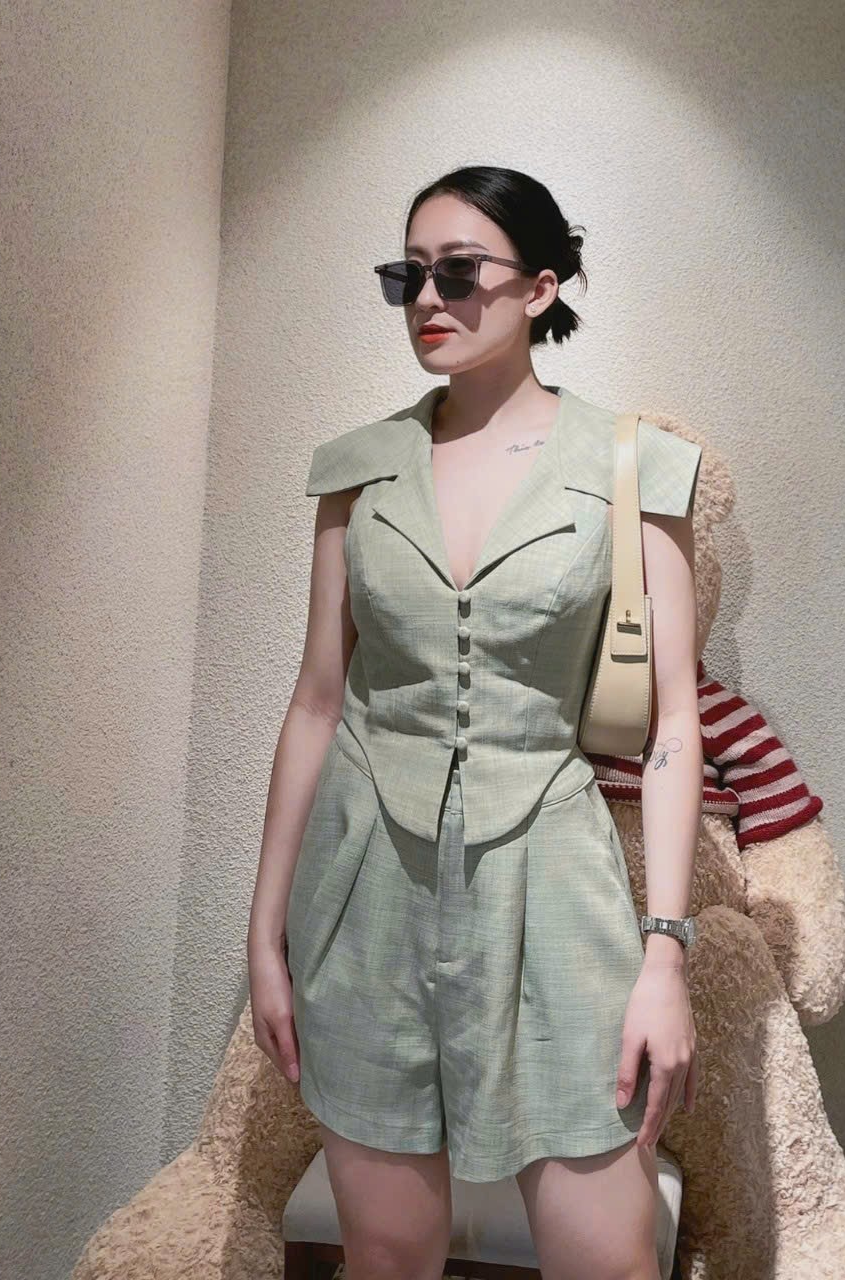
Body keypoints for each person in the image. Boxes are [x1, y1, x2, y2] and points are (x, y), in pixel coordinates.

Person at [247, 165, 702, 1280]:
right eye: (406, 275)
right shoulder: (358, 473)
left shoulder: (633, 470)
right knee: (386, 1251)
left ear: (540, 289)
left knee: (607, 1257)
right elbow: (317, 701)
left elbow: (672, 729)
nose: (426, 300)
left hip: (556, 883)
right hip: (365, 888)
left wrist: (663, 954)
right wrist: (264, 934)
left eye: (457, 272)